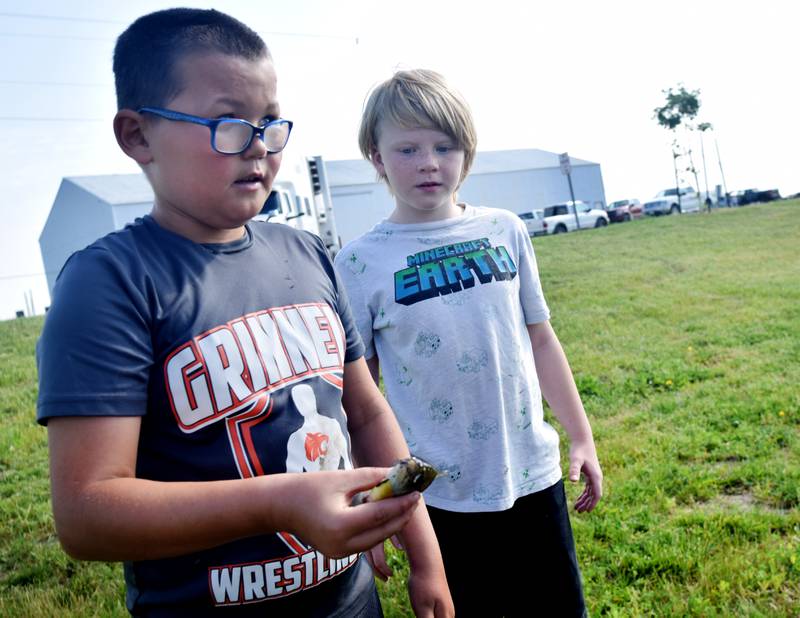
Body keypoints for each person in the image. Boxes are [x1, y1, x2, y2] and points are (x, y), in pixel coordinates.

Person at [36, 10, 451, 617]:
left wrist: (425, 556)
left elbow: (365, 412)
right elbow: (87, 514)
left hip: (352, 599)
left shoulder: (306, 252)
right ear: (138, 136)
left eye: (268, 123)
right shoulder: (110, 282)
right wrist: (278, 503)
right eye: (226, 123)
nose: (259, 146)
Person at [334, 69, 603, 617]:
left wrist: (581, 436)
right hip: (433, 491)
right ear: (377, 158)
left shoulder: (504, 229)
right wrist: (375, 501)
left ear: (467, 152)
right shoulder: (359, 262)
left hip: (532, 471)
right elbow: (361, 400)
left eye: (444, 145)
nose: (428, 162)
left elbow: (541, 338)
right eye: (407, 148)